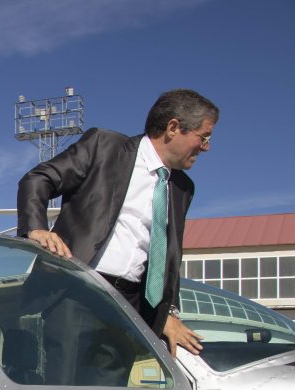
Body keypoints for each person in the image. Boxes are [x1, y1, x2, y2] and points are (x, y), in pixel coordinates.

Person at [17, 88, 218, 357]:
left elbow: (168, 257)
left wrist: (166, 313)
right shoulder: (104, 146)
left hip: (130, 306)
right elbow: (38, 179)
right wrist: (37, 229)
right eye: (203, 137)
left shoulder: (182, 188)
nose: (206, 147)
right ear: (173, 127)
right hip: (78, 290)